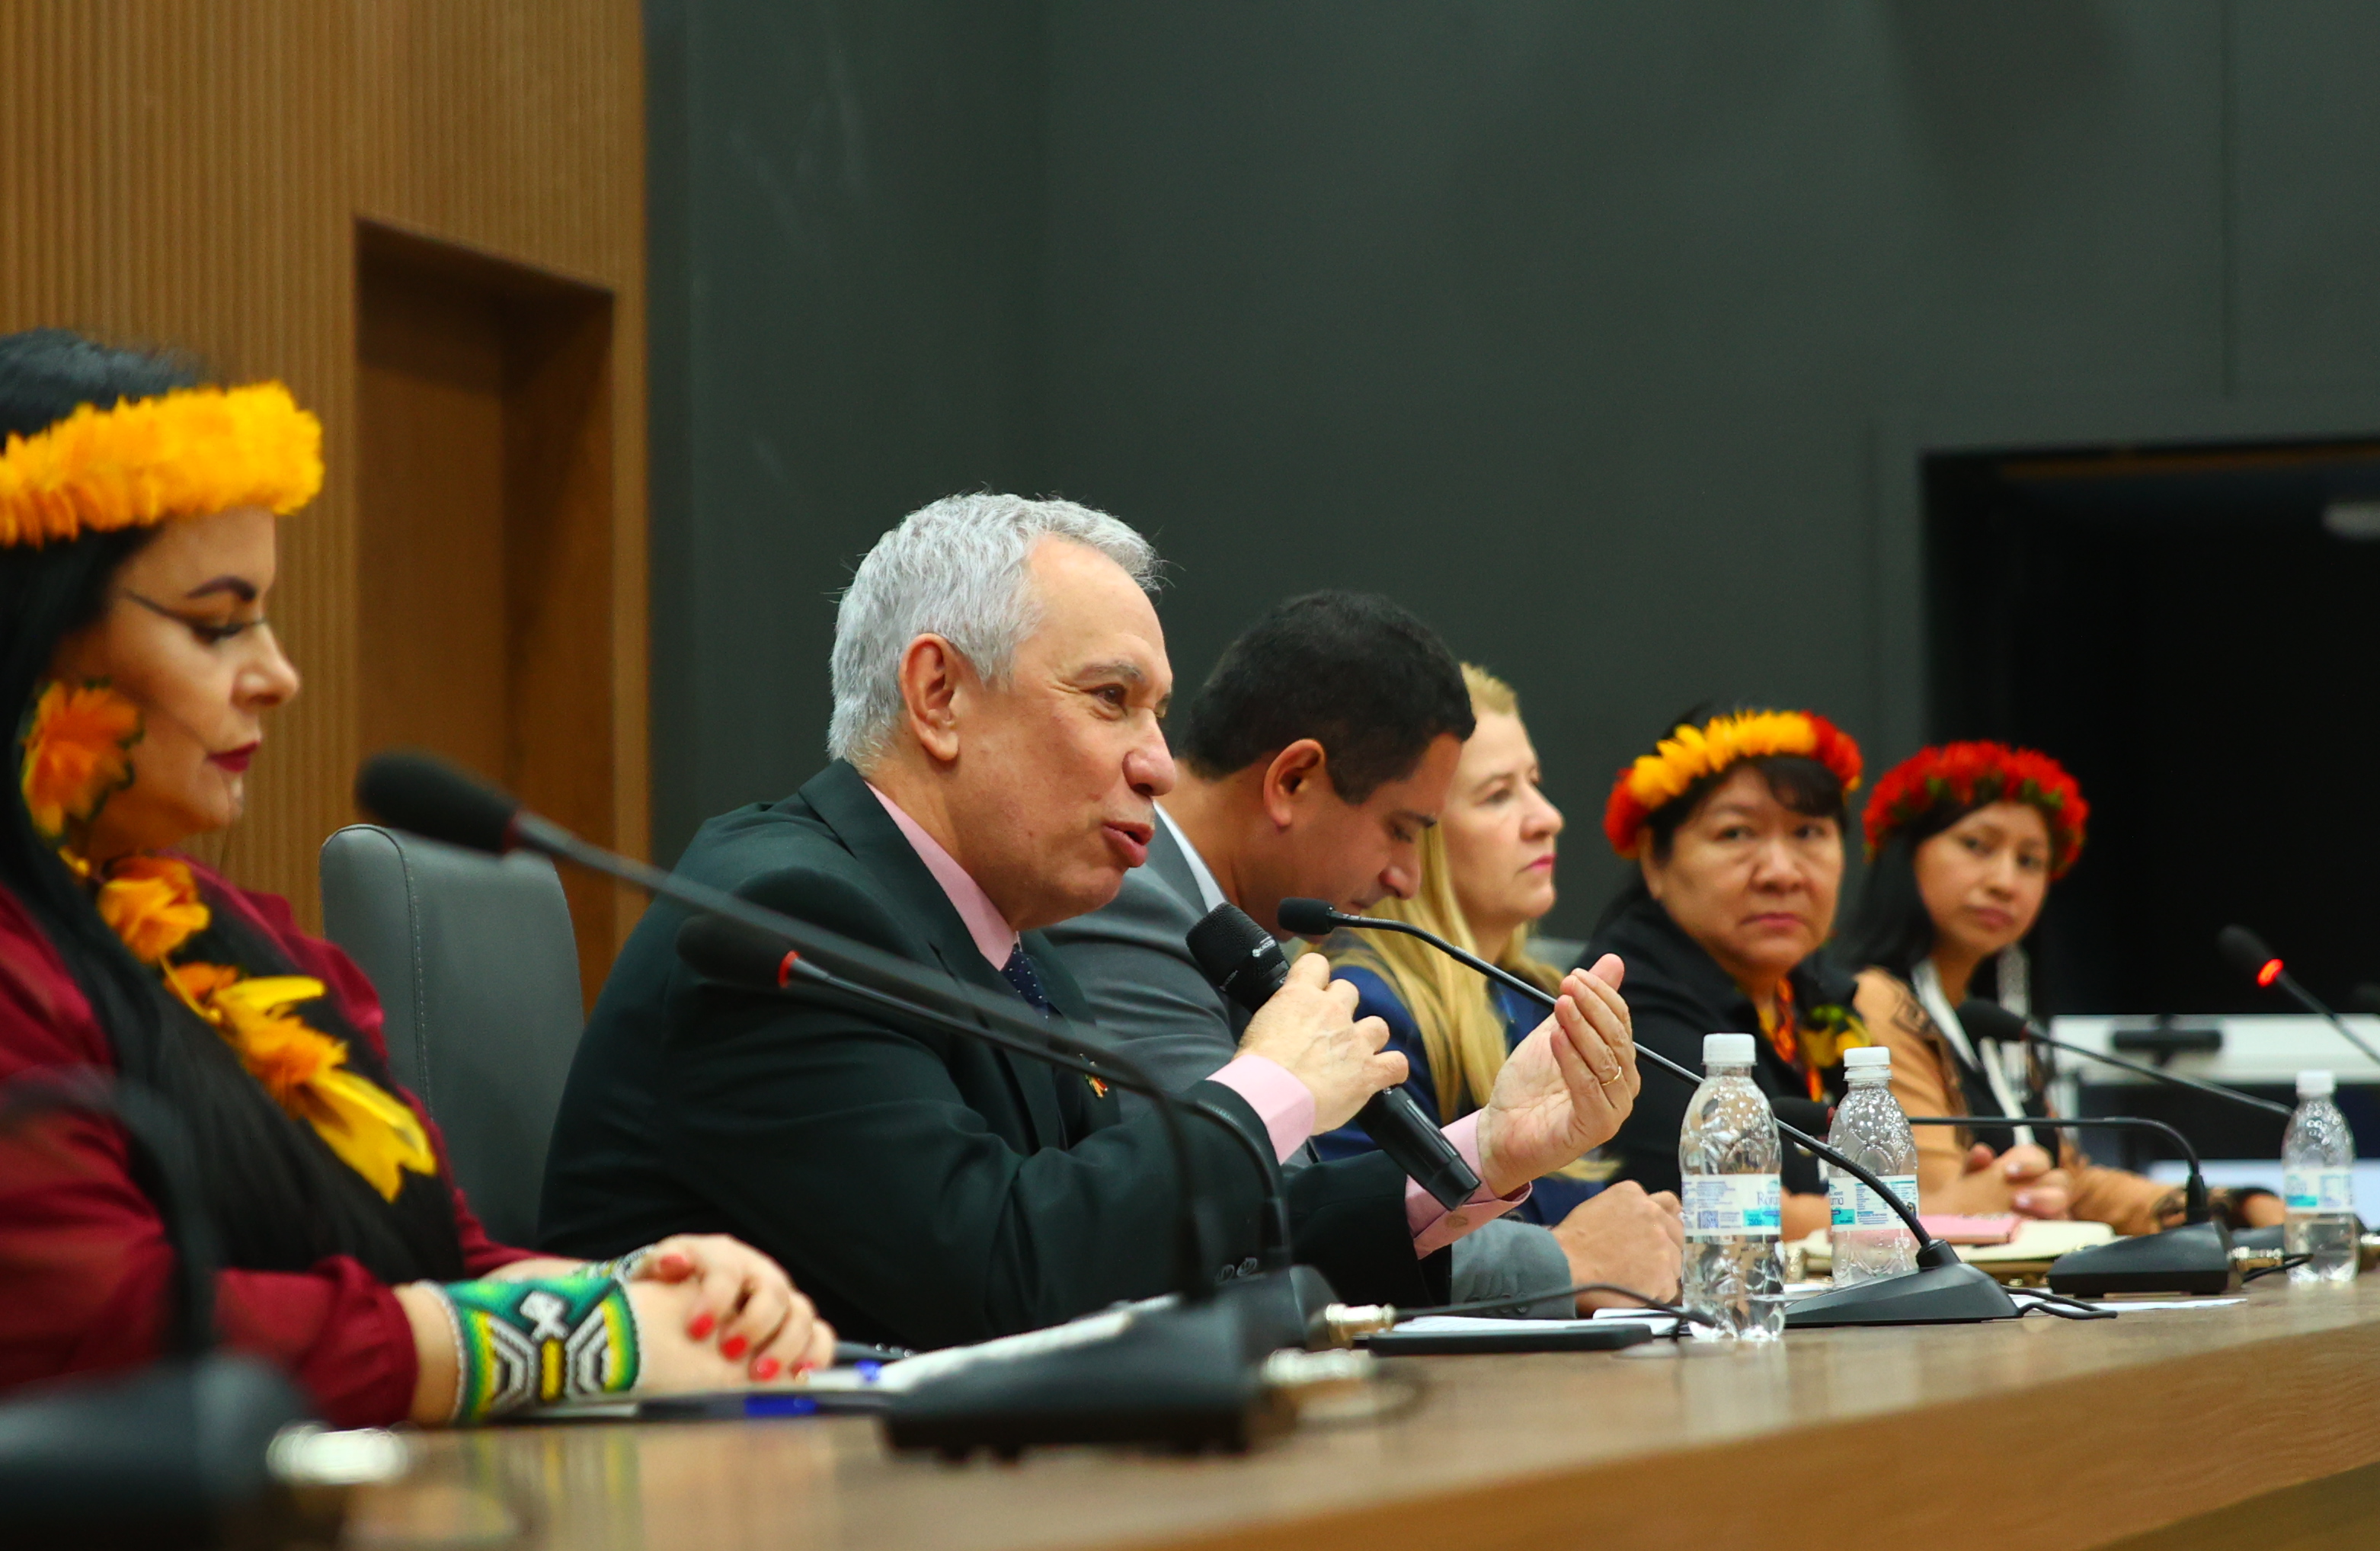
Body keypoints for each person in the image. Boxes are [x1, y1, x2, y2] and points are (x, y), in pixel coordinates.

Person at [540, 496, 1642, 1348]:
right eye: (1112, 700)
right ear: (938, 697)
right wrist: (1269, 1087)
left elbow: (1153, 1231)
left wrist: (1480, 1152)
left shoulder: (1004, 944)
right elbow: (1001, 1278)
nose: (1158, 763)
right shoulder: (792, 914)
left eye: (1156, 711)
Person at [0, 329, 828, 1428]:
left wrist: (658, 1293)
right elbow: (110, 1334)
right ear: (30, 633)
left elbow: (435, 1260)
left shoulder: (237, 937)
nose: (276, 674)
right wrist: (591, 1337)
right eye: (216, 624)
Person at [1046, 603, 1678, 1317]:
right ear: (1293, 781)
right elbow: (1250, 1223)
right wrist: (1566, 1261)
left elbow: (1291, 1211)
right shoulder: (1127, 902)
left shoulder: (1234, 924)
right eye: (1402, 830)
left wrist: (1491, 1149)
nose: (1408, 879)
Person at [1843, 741, 2282, 1233]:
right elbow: (1944, 1196)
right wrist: (2016, 1192)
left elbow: (2073, 1184)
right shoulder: (1879, 1002)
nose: (2005, 882)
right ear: (1907, 853)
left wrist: (2228, 1205)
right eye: (1978, 846)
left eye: (2030, 861)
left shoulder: (1988, 1024)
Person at [1316, 664, 1666, 1255]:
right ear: (1420, 829)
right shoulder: (1364, 1014)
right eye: (1499, 795)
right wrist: (1580, 1258)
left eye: (1535, 782)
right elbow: (1357, 1251)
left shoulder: (1534, 995)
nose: (1548, 818)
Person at [1587, 708, 1872, 1235]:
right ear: (1654, 860)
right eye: (1736, 833)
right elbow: (1729, 1206)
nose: (1781, 873)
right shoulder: (1627, 1004)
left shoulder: (1817, 991)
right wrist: (1941, 1210)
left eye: (1808, 832)